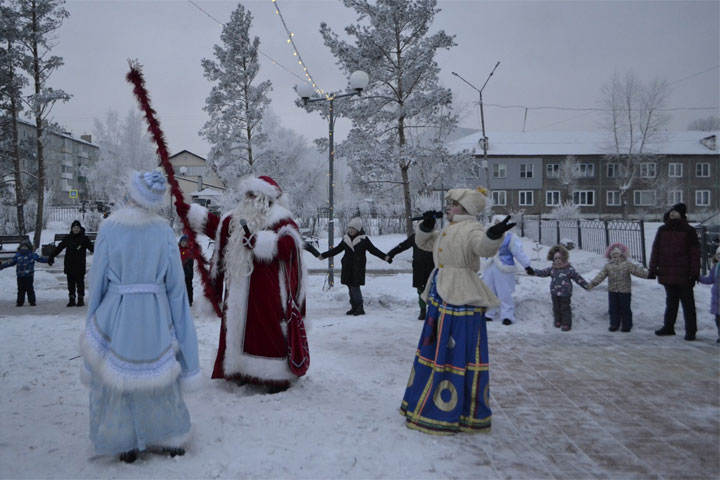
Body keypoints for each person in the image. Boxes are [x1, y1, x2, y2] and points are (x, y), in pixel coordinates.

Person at [80, 170, 200, 463]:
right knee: (159, 374)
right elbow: (176, 288)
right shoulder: (162, 231)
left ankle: (126, 440)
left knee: (118, 377)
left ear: (130, 195)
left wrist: (92, 320)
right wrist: (182, 332)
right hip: (156, 313)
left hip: (118, 312)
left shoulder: (109, 228)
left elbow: (97, 282)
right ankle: (168, 435)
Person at [400, 187, 515, 435]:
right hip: (442, 291)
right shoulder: (449, 228)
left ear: (466, 209)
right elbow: (425, 243)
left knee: (455, 347)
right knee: (436, 344)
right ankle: (428, 395)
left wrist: (493, 236)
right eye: (448, 203)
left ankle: (452, 406)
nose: (448, 207)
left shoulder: (472, 228)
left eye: (452, 204)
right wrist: (427, 226)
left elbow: (482, 247)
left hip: (461, 294)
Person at [183, 175, 308, 393]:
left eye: (253, 194)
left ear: (265, 197)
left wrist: (261, 243)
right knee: (238, 331)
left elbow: (292, 245)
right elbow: (219, 229)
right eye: (247, 194)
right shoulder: (234, 218)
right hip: (237, 289)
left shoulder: (281, 219)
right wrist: (193, 213)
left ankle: (273, 375)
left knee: (268, 332)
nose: (248, 199)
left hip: (268, 291)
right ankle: (240, 370)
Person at [318, 217, 391, 316]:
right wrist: (324, 255)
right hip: (347, 267)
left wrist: (385, 257)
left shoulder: (364, 240)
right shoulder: (345, 239)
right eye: (350, 228)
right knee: (350, 286)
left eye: (353, 228)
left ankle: (360, 308)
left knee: (355, 287)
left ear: (358, 229)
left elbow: (374, 250)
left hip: (358, 267)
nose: (351, 230)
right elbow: (336, 250)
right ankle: (354, 307)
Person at [648, 203, 701, 341]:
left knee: (688, 304)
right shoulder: (662, 230)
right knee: (671, 302)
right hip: (667, 272)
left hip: (684, 274)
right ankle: (668, 327)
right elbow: (656, 250)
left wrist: (694, 273)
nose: (672, 213)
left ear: (682, 215)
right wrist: (653, 269)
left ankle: (691, 331)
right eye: (671, 210)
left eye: (676, 211)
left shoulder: (689, 231)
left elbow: (695, 253)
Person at [480, 220, 533, 326]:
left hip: (504, 267)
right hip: (490, 266)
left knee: (504, 292)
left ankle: (507, 315)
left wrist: (527, 265)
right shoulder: (488, 235)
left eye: (499, 223)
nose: (497, 225)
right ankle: (488, 313)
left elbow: (518, 252)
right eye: (495, 223)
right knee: (489, 290)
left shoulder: (510, 237)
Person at [588, 242, 648, 332]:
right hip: (612, 290)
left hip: (625, 291)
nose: (615, 255)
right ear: (610, 255)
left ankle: (626, 325)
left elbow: (637, 271)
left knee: (625, 308)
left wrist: (649, 275)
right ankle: (614, 324)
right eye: (613, 253)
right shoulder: (608, 265)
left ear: (621, 254)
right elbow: (601, 275)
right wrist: (592, 283)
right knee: (613, 309)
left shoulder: (627, 264)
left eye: (617, 253)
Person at [529, 244, 590, 332]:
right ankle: (558, 321)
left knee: (565, 308)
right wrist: (533, 271)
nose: (557, 260)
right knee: (556, 307)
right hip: (554, 292)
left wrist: (586, 285)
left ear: (564, 258)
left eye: (559, 258)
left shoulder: (569, 269)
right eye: (555, 258)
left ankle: (566, 324)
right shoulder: (552, 269)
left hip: (565, 293)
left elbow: (578, 278)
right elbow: (542, 272)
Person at [387, 233, 435, 320]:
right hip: (419, 267)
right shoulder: (416, 236)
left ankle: (431, 310)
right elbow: (403, 246)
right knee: (421, 290)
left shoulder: (434, 236)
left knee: (432, 289)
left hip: (431, 266)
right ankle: (423, 310)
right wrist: (391, 254)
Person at [49, 219, 94, 307]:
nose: (76, 229)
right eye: (74, 228)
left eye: (77, 228)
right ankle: (72, 299)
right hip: (69, 264)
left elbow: (92, 248)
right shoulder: (68, 238)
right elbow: (59, 248)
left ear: (80, 228)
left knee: (80, 283)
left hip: (80, 264)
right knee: (71, 283)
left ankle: (80, 299)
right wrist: (51, 256)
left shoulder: (84, 239)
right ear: (72, 229)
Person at [0, 239, 52, 307]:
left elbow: (11, 262)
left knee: (24, 289)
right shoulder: (29, 255)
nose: (24, 249)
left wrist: (48, 260)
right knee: (26, 289)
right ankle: (27, 301)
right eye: (23, 247)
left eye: (25, 247)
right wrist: (49, 260)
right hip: (26, 275)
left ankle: (23, 302)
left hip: (24, 275)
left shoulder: (24, 255)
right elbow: (40, 259)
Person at [699, 246, 720, 343]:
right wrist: (698, 277)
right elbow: (710, 279)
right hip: (717, 299)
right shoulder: (716, 267)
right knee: (718, 319)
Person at [178, 234, 194, 306]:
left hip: (188, 273)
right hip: (180, 272)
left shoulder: (189, 251)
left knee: (188, 286)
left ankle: (189, 300)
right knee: (180, 286)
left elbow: (190, 263)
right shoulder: (178, 250)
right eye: (182, 241)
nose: (183, 243)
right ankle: (181, 299)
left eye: (185, 242)